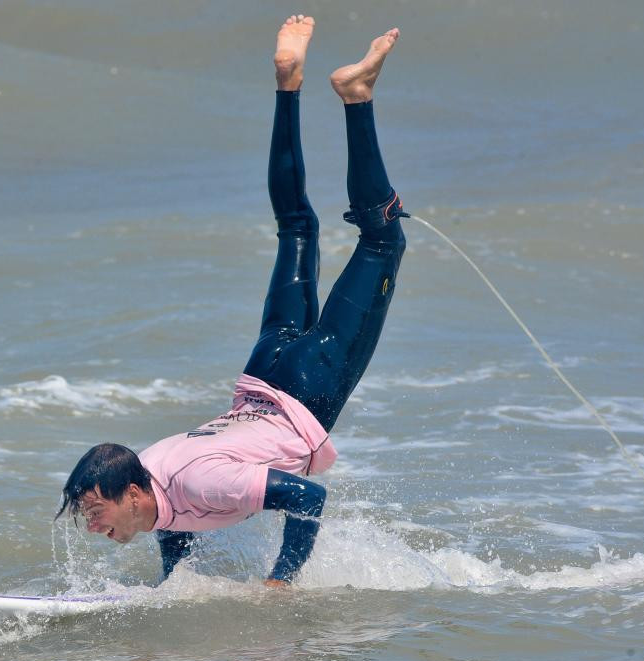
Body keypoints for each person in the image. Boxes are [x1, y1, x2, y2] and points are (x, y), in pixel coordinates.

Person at [56, 16, 408, 587]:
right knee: (294, 227)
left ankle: (357, 95)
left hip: (303, 389)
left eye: (96, 513)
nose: (94, 527)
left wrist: (281, 581)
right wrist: (171, 594)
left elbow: (307, 499)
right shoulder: (156, 479)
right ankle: (287, 84)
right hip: (261, 375)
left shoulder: (197, 483)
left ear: (134, 492)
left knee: (381, 238)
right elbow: (178, 531)